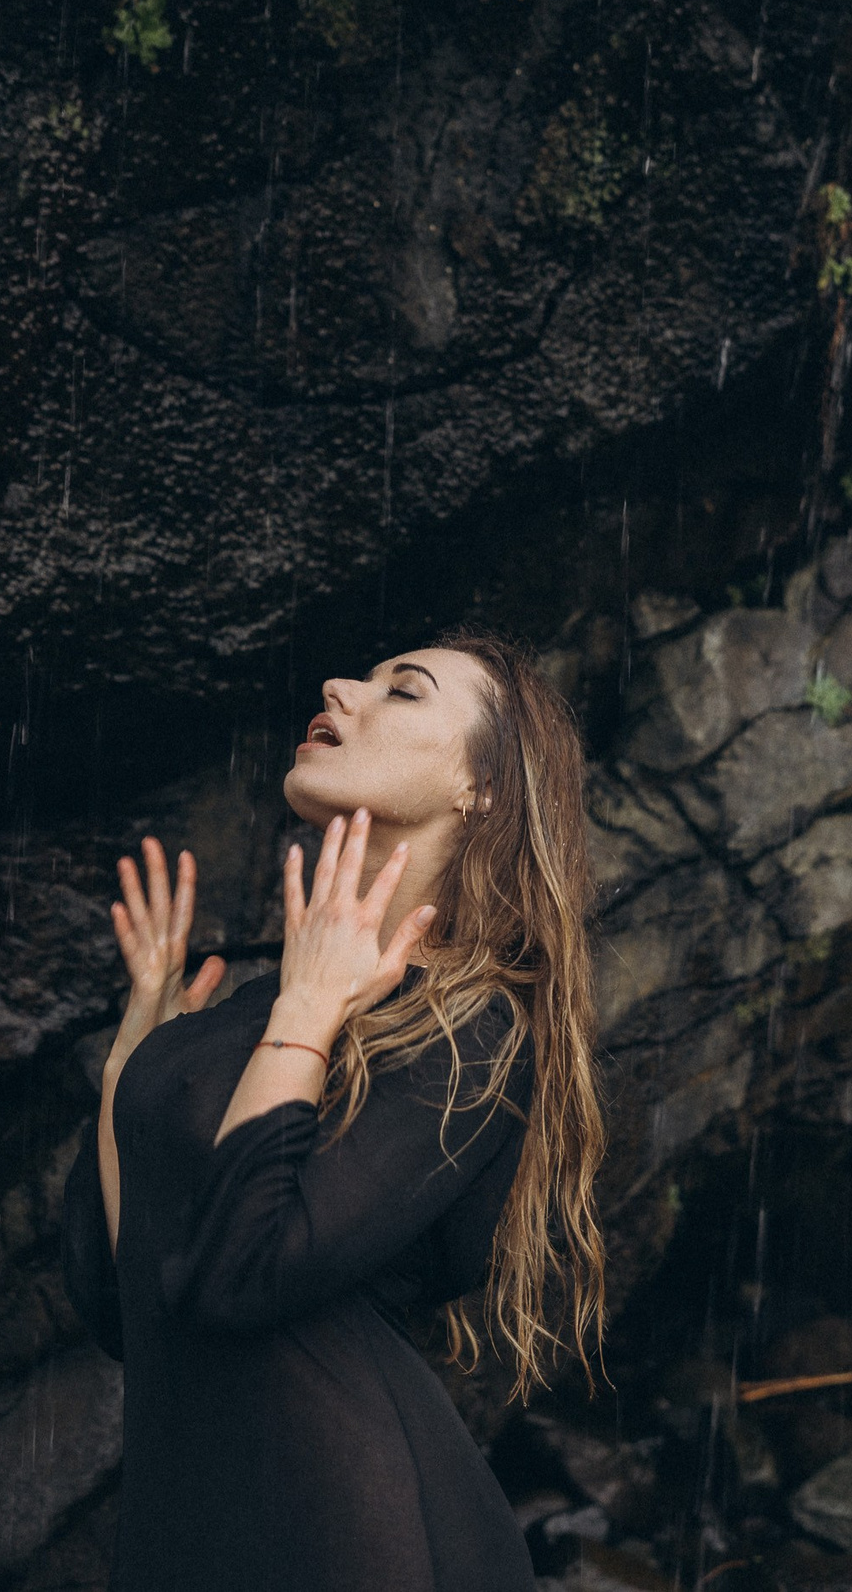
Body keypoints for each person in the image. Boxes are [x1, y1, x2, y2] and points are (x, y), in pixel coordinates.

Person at [61, 626, 608, 1592]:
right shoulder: (270, 1002)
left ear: (478, 788)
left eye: (404, 691)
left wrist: (308, 1012)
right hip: (190, 1518)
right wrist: (131, 1069)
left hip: (342, 1522)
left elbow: (239, 1275)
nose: (340, 687)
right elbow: (130, 1301)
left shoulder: (475, 1026)